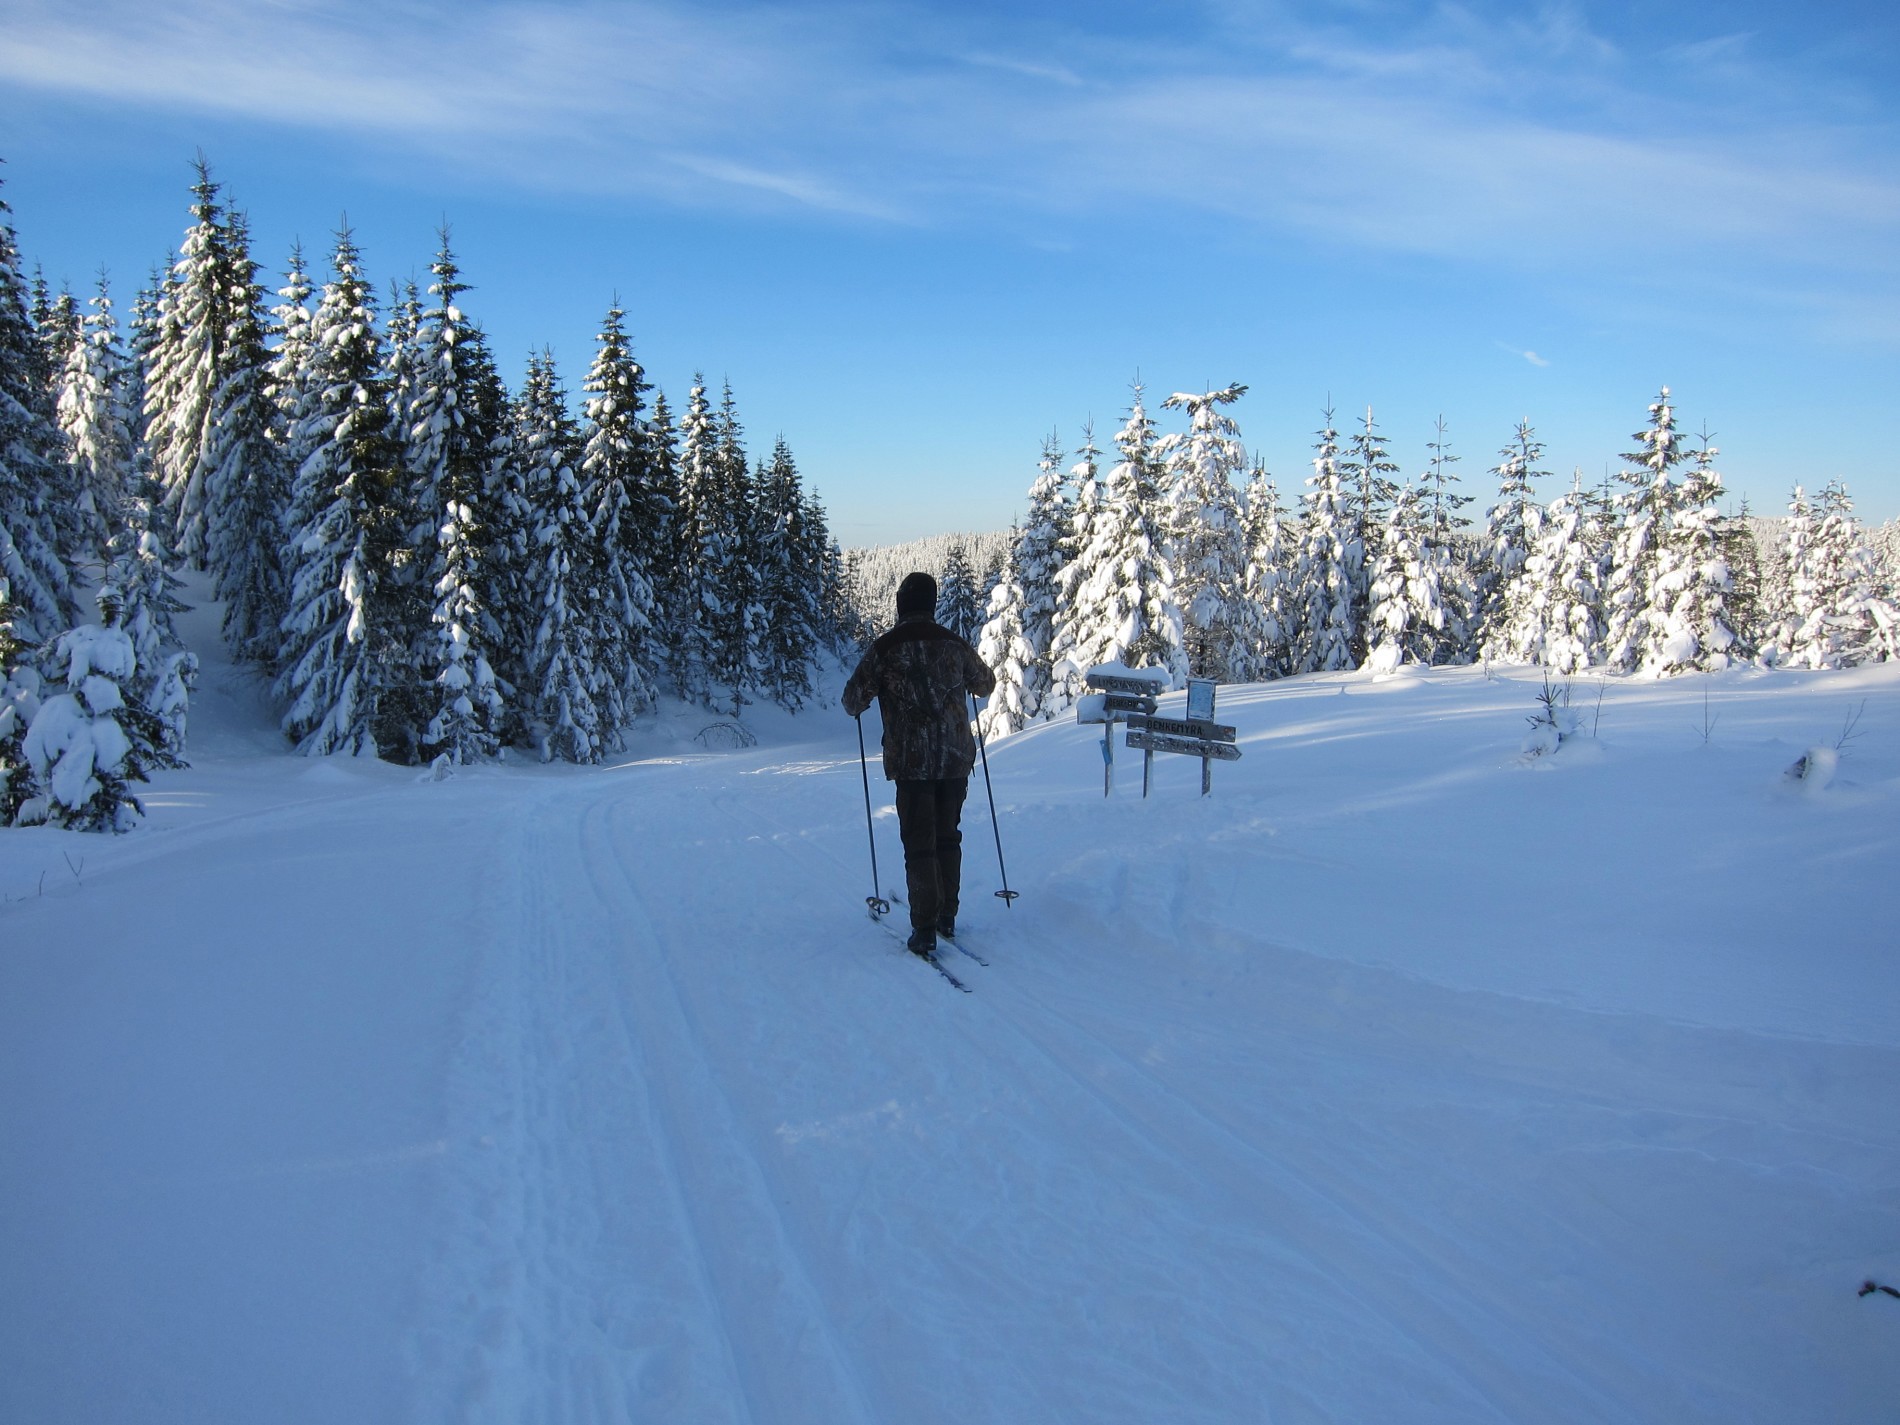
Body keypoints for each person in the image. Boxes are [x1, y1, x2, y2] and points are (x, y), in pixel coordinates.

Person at [843, 571, 996, 959]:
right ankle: (946, 917)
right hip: (955, 760)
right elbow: (986, 684)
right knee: (948, 836)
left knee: (919, 844)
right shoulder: (954, 644)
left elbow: (852, 700)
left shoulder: (886, 648)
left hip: (912, 764)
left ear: (901, 605)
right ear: (932, 603)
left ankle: (924, 929)